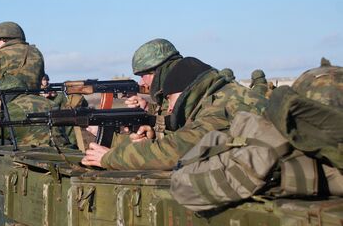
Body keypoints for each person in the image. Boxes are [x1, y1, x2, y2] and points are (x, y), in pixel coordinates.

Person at [82, 52, 267, 170]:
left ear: (186, 92)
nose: (170, 108)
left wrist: (110, 158)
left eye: (170, 99)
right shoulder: (218, 94)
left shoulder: (221, 108)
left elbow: (175, 151)